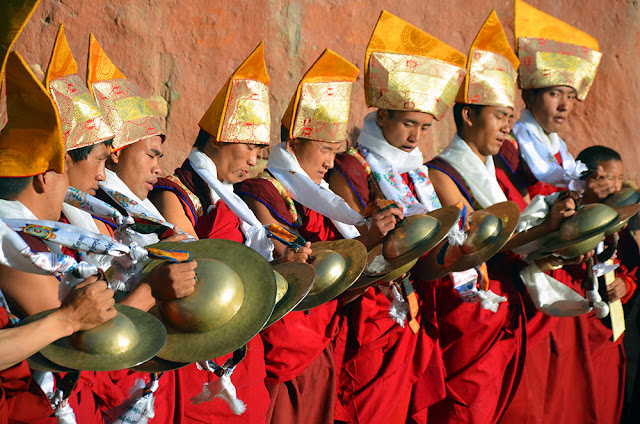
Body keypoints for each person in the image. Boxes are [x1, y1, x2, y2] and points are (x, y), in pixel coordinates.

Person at [237, 47, 398, 424]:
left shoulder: (319, 203)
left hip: (322, 336)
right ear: (292, 145)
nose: (329, 162)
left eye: (334, 151)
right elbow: (287, 261)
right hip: (287, 342)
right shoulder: (262, 192)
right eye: (324, 149)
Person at [151, 42, 305, 423]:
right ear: (218, 137)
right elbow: (192, 263)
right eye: (248, 146)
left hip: (241, 337)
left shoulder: (236, 201)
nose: (254, 160)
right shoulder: (176, 191)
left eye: (261, 150)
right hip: (203, 343)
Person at [326, 10, 466, 423]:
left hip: (410, 303)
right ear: (382, 115)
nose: (415, 137)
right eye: (408, 123)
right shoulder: (353, 167)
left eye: (424, 127)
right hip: (370, 306)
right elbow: (350, 241)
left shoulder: (416, 171)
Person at [423, 12, 528, 423]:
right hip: (469, 311)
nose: (507, 127)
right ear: (468, 115)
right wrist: (549, 230)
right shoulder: (439, 173)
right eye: (500, 116)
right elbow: (477, 239)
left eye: (509, 117)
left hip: (502, 310)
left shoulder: (499, 172)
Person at [498, 0, 602, 199]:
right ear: (528, 96)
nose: (564, 106)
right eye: (554, 94)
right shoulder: (510, 146)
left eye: (571, 96)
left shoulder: (559, 149)